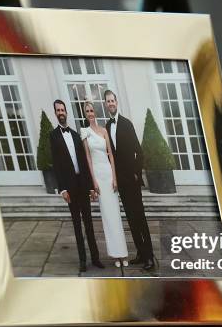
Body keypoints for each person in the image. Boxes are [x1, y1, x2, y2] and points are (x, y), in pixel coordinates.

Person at [49, 99, 104, 272]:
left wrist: (90, 187)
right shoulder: (53, 136)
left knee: (89, 223)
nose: (61, 112)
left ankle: (95, 258)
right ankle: (82, 260)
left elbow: (84, 162)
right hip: (70, 189)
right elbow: (56, 165)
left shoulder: (74, 134)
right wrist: (62, 189)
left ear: (66, 111)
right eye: (58, 110)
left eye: (62, 109)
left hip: (82, 185)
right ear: (56, 113)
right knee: (77, 225)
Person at [104, 90, 155, 270]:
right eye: (107, 101)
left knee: (140, 218)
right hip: (121, 182)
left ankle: (150, 257)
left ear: (116, 102)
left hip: (132, 180)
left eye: (112, 100)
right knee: (131, 220)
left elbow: (138, 152)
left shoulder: (127, 124)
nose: (110, 103)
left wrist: (136, 173)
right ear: (105, 104)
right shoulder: (106, 127)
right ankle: (140, 253)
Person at [80, 102, 129, 268]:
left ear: (95, 111)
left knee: (116, 215)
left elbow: (111, 155)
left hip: (109, 175)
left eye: (92, 110)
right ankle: (115, 255)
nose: (90, 113)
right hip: (98, 177)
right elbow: (87, 158)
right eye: (87, 111)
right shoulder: (84, 132)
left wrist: (115, 178)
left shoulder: (104, 131)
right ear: (85, 114)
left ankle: (123, 253)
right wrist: (93, 182)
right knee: (107, 217)